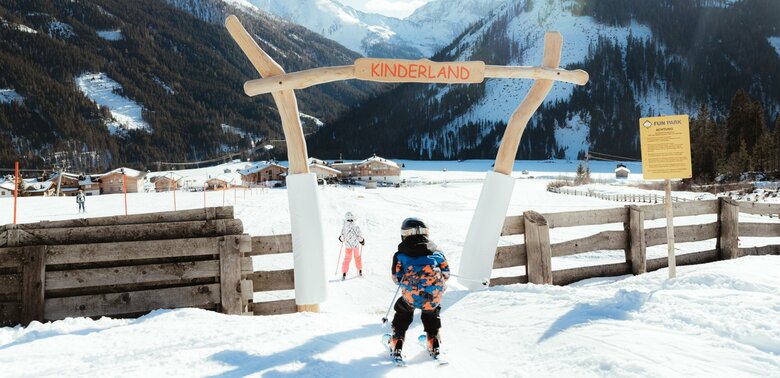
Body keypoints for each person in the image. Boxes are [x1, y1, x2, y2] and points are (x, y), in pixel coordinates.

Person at [388, 217, 449, 359]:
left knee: (403, 309)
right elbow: (446, 274)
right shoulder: (437, 252)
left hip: (411, 294)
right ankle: (433, 340)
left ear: (404, 234)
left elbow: (396, 278)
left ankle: (397, 340)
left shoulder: (400, 255)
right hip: (433, 294)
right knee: (431, 310)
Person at [339, 211, 365, 280]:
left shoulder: (344, 228)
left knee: (347, 259)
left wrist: (340, 238)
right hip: (355, 246)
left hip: (348, 247)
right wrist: (362, 241)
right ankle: (359, 270)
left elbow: (342, 238)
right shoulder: (356, 227)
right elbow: (359, 237)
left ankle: (344, 272)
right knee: (357, 258)